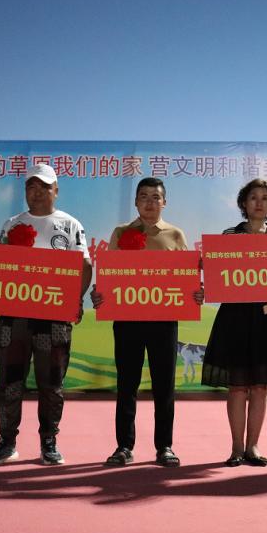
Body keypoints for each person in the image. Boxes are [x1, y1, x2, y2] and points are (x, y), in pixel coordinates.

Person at [0, 163, 92, 466]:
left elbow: (84, 266)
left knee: (51, 383)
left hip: (53, 320)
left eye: (44, 186)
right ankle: (7, 442)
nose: (37, 192)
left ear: (56, 190)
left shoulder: (70, 225)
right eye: (31, 186)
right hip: (13, 318)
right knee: (9, 381)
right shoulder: (12, 224)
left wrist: (76, 300)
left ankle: (49, 442)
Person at [90, 177, 203, 468]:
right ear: (136, 202)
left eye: (156, 197)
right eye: (144, 196)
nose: (150, 202)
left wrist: (196, 293)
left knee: (164, 385)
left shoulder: (175, 235)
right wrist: (100, 294)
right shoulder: (121, 232)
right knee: (127, 384)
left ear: (164, 202)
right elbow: (110, 275)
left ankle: (165, 446)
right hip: (127, 320)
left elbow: (187, 277)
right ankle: (124, 446)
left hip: (164, 321)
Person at [201, 178, 267, 467]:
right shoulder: (229, 236)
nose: (259, 203)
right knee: (237, 386)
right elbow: (217, 274)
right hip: (235, 318)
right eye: (253, 197)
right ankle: (236, 447)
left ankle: (253, 446)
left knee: (260, 387)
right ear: (243, 203)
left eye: (265, 198)